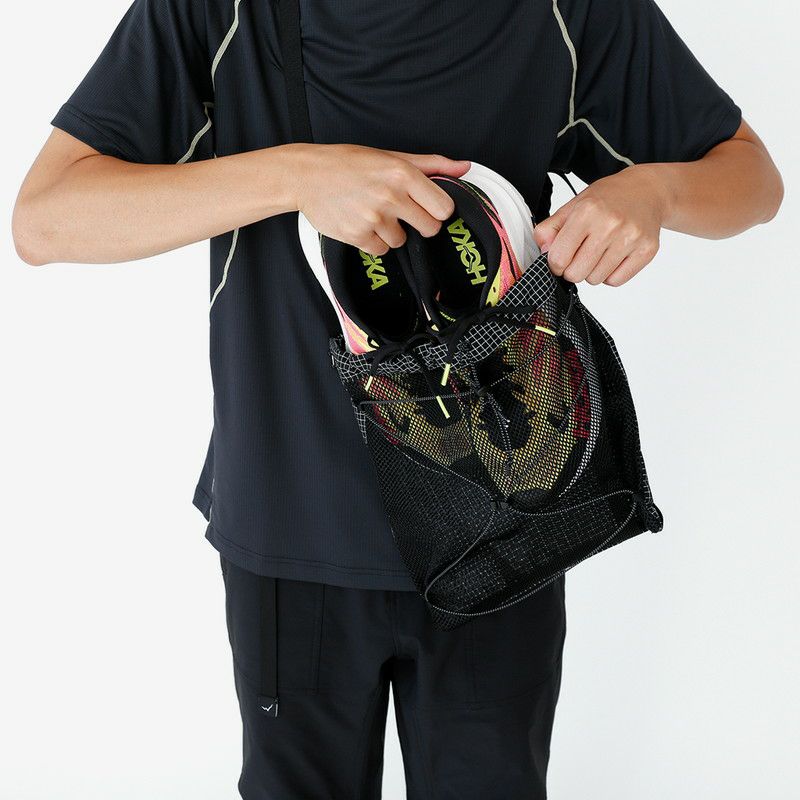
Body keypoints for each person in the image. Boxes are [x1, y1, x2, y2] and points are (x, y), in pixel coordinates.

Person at [12, 0, 782, 797]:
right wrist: (300, 173)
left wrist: (654, 193)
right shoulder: (218, 14)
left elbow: (752, 179)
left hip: (506, 522)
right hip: (293, 525)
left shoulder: (566, 12)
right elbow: (46, 220)